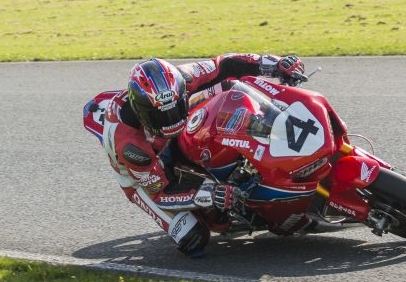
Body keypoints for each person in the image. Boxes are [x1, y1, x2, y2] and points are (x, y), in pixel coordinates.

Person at [94, 53, 306, 257]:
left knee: (230, 91)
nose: (170, 120)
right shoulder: (131, 146)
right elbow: (162, 192)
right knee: (194, 237)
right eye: (160, 116)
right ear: (141, 110)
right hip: (146, 178)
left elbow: (226, 64)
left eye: (175, 108)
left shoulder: (183, 78)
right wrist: (211, 194)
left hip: (180, 133)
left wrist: (275, 63)